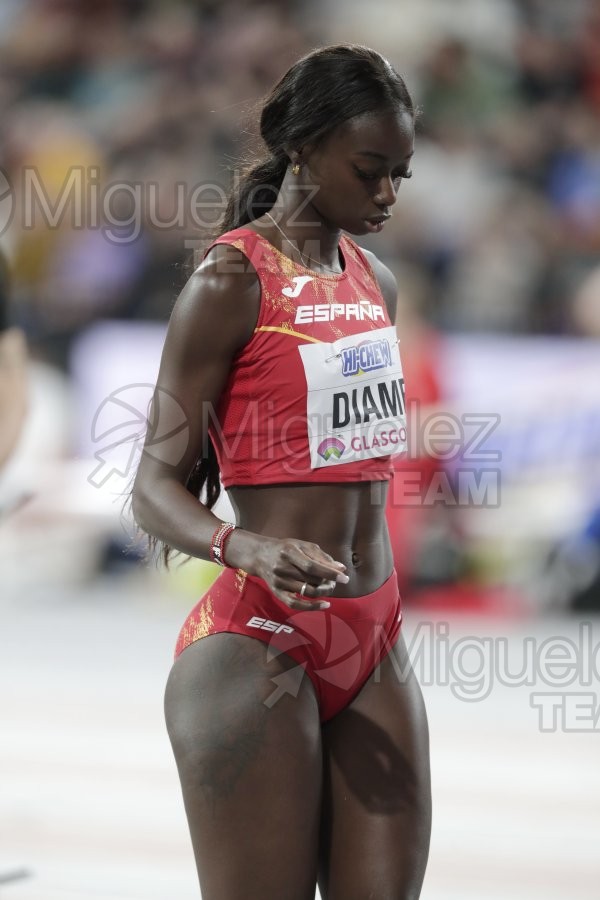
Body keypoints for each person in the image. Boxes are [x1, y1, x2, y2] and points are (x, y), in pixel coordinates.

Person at [132, 44, 431, 900]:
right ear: (303, 149)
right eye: (370, 170)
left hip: (372, 634)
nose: (386, 196)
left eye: (400, 176)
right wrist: (245, 547)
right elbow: (152, 489)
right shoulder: (230, 279)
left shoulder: (378, 281)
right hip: (254, 639)